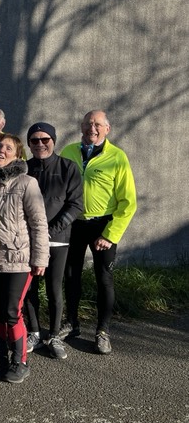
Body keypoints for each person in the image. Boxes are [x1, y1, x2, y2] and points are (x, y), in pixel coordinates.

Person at [60, 110, 137, 355]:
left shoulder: (117, 157)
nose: (91, 128)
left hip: (103, 225)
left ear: (107, 129)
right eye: (87, 124)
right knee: (71, 275)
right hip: (74, 223)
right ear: (81, 127)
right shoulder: (69, 152)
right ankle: (71, 323)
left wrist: (110, 234)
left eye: (97, 125)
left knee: (104, 278)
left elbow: (128, 202)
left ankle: (102, 331)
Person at [0, 133, 49, 384]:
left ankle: (20, 361)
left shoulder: (27, 183)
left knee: (11, 311)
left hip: (19, 259)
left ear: (17, 156)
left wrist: (41, 258)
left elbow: (39, 223)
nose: (1, 150)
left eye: (8, 148)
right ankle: (1, 358)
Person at [22, 122, 84, 360]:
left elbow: (75, 204)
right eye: (34, 140)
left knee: (54, 288)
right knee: (30, 290)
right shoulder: (24, 168)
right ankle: (35, 332)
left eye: (45, 139)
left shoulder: (68, 167)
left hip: (56, 240)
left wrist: (49, 230)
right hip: (27, 241)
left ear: (53, 141)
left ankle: (55, 335)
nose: (40, 144)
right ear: (29, 143)